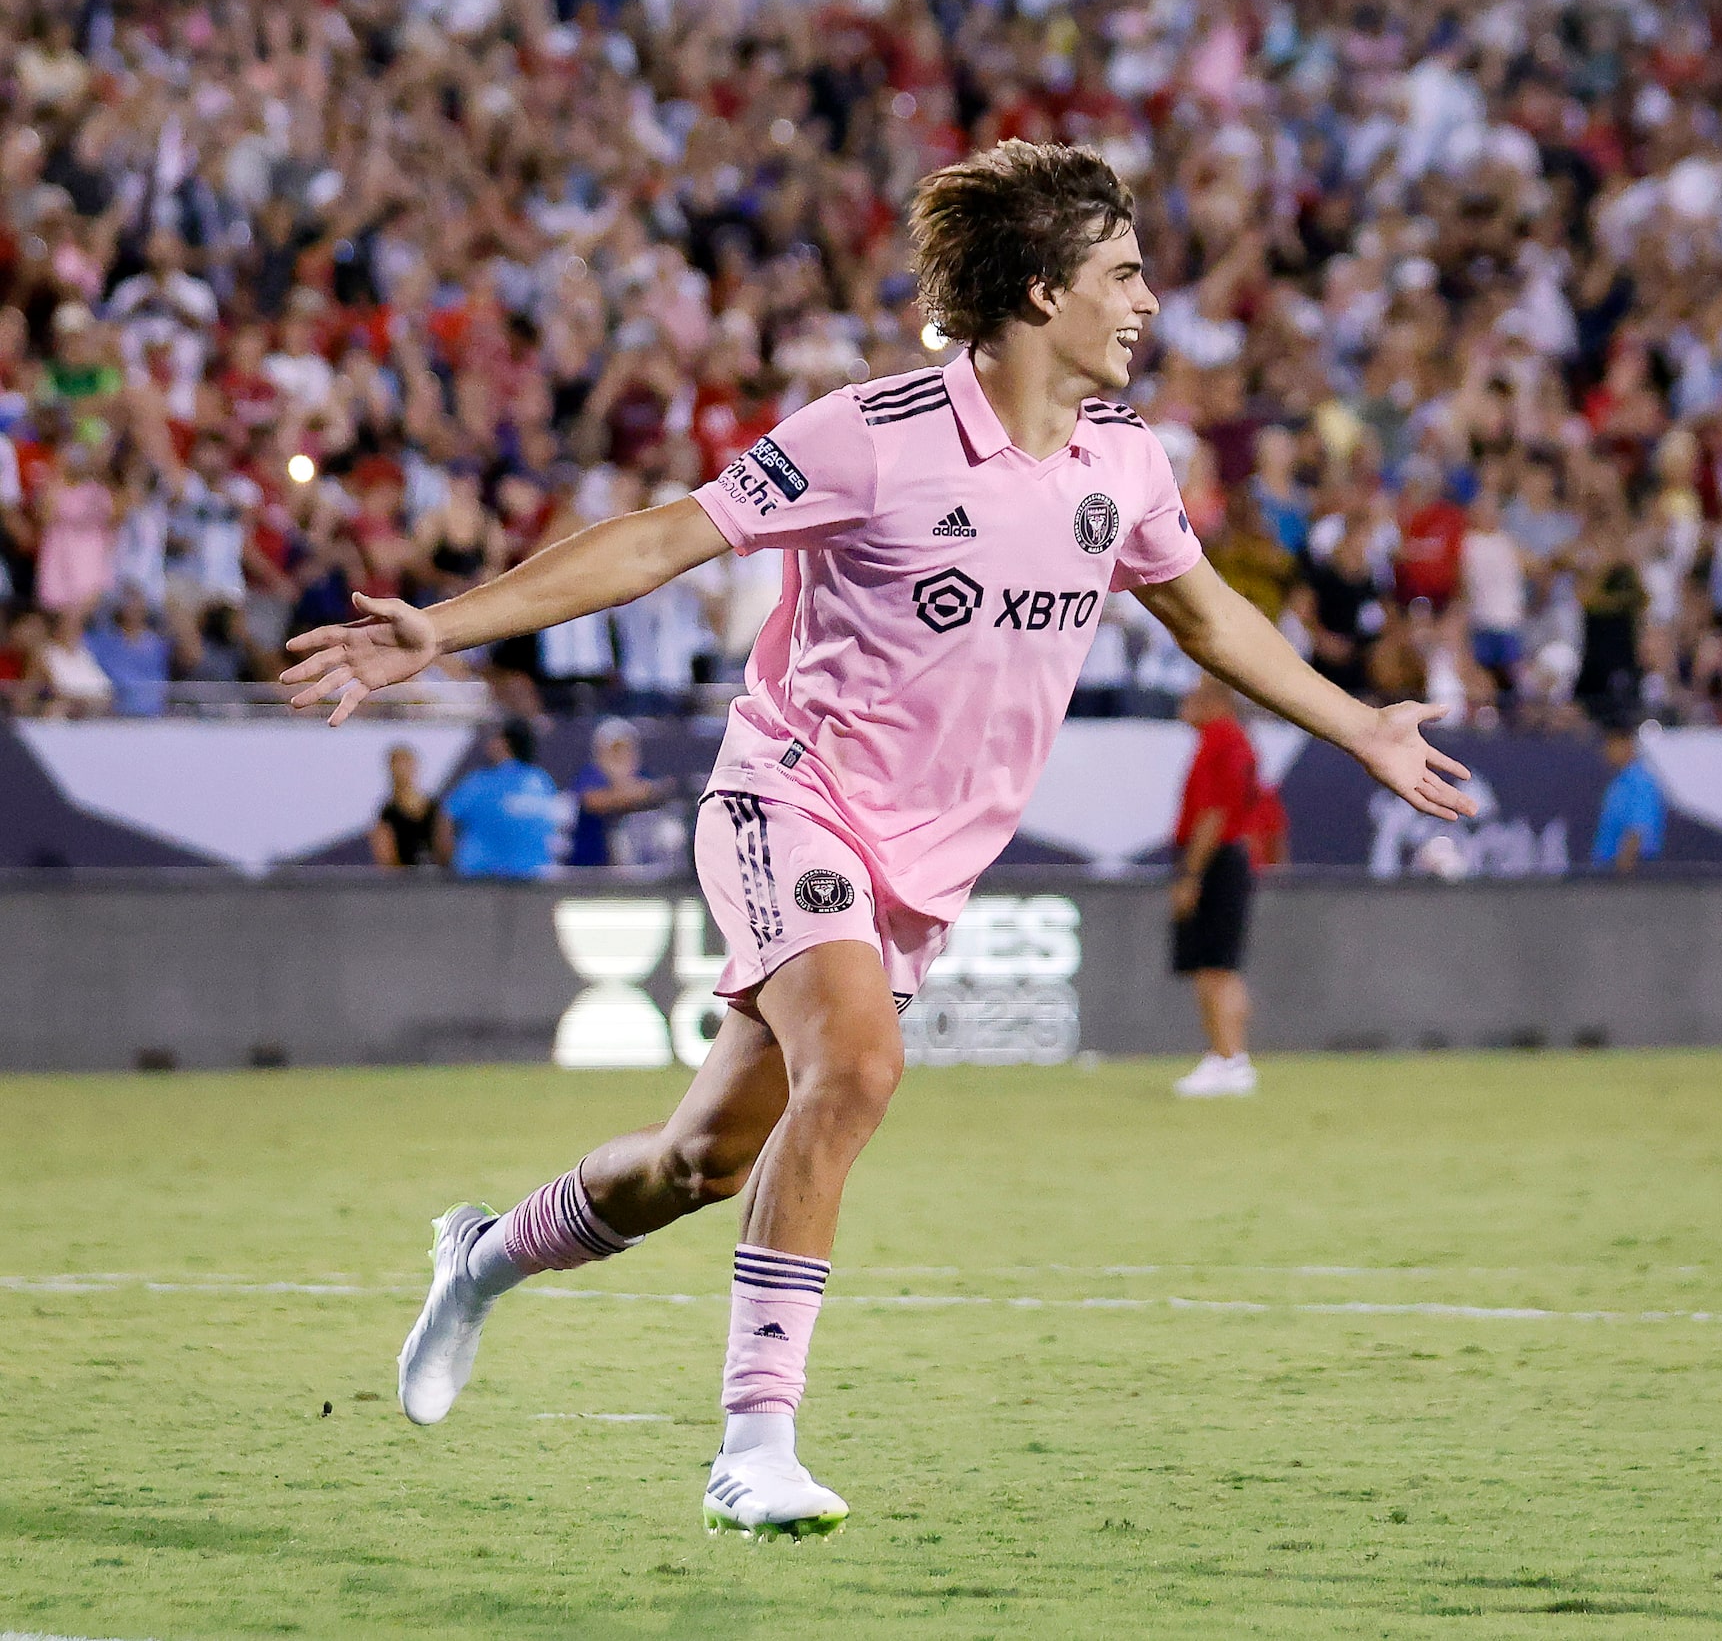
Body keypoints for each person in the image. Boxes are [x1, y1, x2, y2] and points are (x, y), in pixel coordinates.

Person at [278, 142, 1475, 1542]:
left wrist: (1360, 728)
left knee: (696, 1162)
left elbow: (1208, 620)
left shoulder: (1124, 467)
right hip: (786, 795)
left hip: (921, 869)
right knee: (855, 1062)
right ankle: (753, 1442)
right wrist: (449, 628)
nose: (1149, 300)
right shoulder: (874, 431)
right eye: (1122, 273)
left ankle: (483, 1254)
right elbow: (668, 539)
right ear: (1041, 290)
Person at [1169, 677, 1274, 1098]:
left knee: (1215, 968)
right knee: (1219, 965)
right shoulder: (1237, 742)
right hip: (1228, 857)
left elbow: (1212, 813)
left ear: (1214, 701)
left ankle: (1228, 1059)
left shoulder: (1221, 740)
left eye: (1192, 696)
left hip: (1217, 860)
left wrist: (1191, 874)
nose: (1184, 703)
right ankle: (1227, 1057)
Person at [441, 719, 564, 880]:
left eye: (494, 737)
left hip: (480, 878)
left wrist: (447, 866)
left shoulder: (478, 783)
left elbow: (444, 820)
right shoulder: (542, 781)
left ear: (504, 743)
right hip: (533, 878)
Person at [568, 718, 682, 869]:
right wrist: (630, 793)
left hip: (637, 868)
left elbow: (660, 790)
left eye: (626, 749)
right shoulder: (592, 775)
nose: (622, 756)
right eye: (615, 750)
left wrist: (640, 791)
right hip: (591, 867)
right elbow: (593, 802)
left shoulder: (642, 775)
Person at [1591, 722, 1668, 873]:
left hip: (1629, 869)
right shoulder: (1620, 780)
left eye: (1612, 745)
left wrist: (1625, 865)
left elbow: (1639, 826)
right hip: (1608, 866)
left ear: (1628, 745)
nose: (1607, 751)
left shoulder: (1640, 781)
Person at [372, 743, 451, 869]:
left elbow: (444, 847)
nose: (403, 770)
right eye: (399, 765)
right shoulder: (388, 813)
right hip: (404, 882)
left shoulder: (433, 808)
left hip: (435, 879)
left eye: (407, 764)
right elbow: (385, 857)